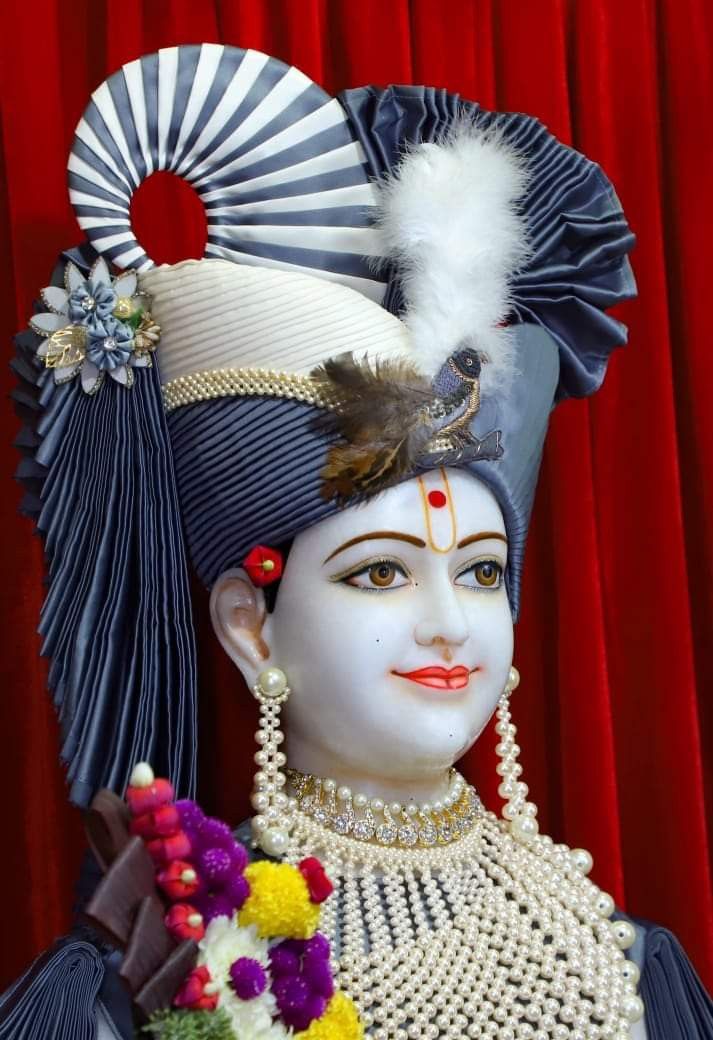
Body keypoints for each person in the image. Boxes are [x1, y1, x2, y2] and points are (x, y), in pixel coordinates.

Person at [2, 42, 711, 1040]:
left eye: (480, 570)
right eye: (379, 571)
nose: (448, 622)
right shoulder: (158, 977)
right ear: (251, 625)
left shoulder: (624, 966)